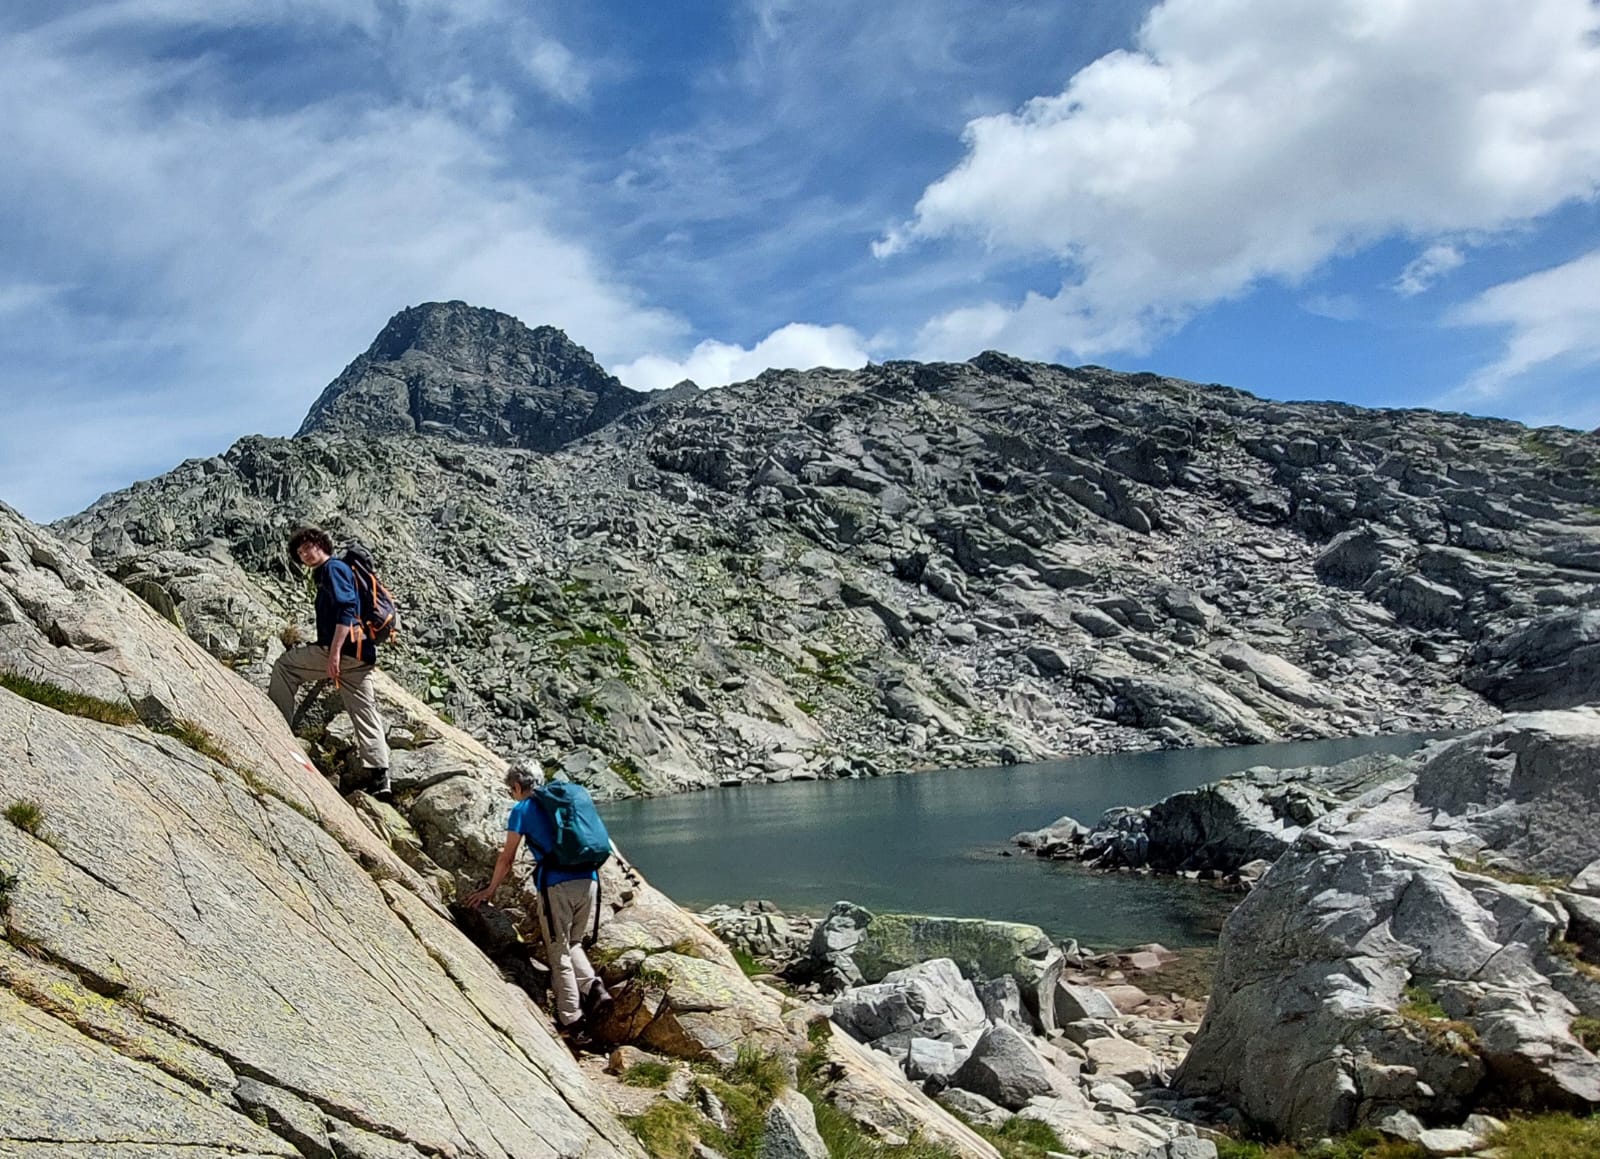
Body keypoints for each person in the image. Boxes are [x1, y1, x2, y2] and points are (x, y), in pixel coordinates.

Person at [465, 763, 612, 1045]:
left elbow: (507, 858)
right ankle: (594, 988)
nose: (512, 795)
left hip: (557, 884)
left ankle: (573, 1021)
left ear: (517, 787)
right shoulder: (565, 802)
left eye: (511, 790)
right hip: (590, 880)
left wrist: (490, 890)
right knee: (574, 943)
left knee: (559, 951)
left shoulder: (522, 809)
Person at [268, 527, 392, 798]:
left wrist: (333, 654)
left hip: (344, 652)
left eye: (307, 547)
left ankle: (277, 730)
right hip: (362, 655)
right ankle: (381, 777)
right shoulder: (338, 570)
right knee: (365, 711)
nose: (304, 554)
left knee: (285, 667)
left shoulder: (332, 568)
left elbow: (347, 609)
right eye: (300, 553)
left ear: (321, 544)